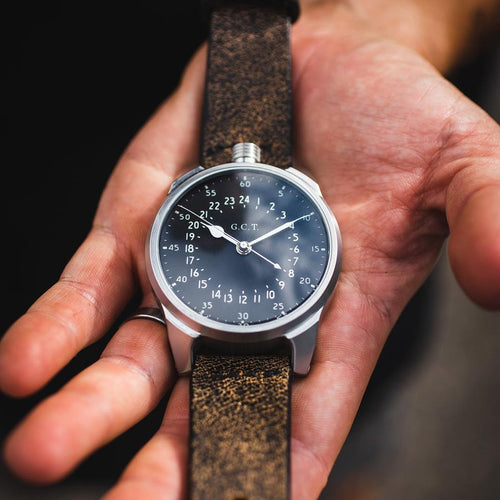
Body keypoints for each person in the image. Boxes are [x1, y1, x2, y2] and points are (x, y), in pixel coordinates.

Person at [1, 0, 500, 498]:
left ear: (313, 202)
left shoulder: (296, 204)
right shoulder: (214, 217)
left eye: (245, 238)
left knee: (346, 460)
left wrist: (402, 19)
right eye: (229, 236)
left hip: (336, 352)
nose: (240, 242)